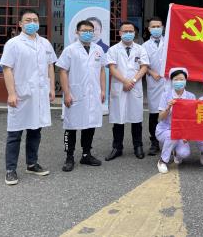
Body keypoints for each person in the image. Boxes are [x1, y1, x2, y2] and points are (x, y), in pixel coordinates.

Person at [0, 9, 56, 186]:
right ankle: (10, 169)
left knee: (35, 130)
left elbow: (50, 66)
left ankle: (32, 164)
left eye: (35, 20)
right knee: (15, 133)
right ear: (20, 24)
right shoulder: (13, 44)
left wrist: (51, 88)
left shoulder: (45, 43)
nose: (32, 23)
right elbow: (7, 68)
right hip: (21, 94)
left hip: (39, 94)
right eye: (28, 20)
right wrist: (11, 93)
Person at [56, 20, 106, 172]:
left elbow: (102, 70)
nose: (88, 33)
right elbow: (63, 71)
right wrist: (66, 93)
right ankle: (69, 157)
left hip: (93, 93)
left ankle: (86, 154)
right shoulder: (70, 50)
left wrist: (103, 90)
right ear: (77, 32)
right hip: (75, 93)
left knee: (90, 124)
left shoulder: (98, 49)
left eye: (90, 30)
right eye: (84, 30)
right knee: (71, 126)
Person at [105, 21, 150, 161]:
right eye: (125, 31)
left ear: (134, 33)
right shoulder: (113, 49)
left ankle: (138, 146)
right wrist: (125, 81)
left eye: (131, 31)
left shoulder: (140, 49)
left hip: (134, 87)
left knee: (136, 119)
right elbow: (112, 68)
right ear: (120, 33)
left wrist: (133, 81)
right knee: (118, 119)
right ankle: (117, 147)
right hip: (120, 86)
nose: (128, 33)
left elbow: (144, 67)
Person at [156, 67, 196, 173]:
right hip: (165, 130)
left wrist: (187, 134)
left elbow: (192, 119)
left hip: (181, 132)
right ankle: (162, 161)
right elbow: (160, 117)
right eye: (176, 79)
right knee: (172, 135)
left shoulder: (191, 96)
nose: (179, 82)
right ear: (171, 81)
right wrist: (168, 107)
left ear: (186, 81)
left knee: (184, 153)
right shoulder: (165, 95)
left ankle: (175, 151)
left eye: (181, 79)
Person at [141, 17, 166, 156]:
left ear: (163, 27)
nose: (156, 28)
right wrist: (151, 72)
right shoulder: (144, 46)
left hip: (167, 82)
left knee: (169, 111)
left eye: (158, 26)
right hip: (154, 82)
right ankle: (154, 142)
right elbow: (142, 63)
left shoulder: (168, 42)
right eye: (153, 27)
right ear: (149, 29)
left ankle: (170, 140)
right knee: (154, 114)